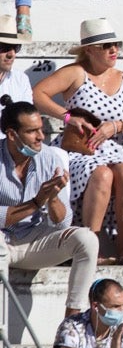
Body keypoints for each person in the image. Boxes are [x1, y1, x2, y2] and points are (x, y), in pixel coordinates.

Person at [33, 19, 123, 264]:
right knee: (101, 174)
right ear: (89, 50)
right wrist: (67, 116)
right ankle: (90, 248)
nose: (113, 50)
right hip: (80, 149)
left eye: (116, 44)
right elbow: (38, 95)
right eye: (106, 45)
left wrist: (116, 127)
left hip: (113, 149)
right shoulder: (76, 73)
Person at [0, 102, 98, 314]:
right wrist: (36, 203)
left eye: (42, 130)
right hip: (2, 240)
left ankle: (72, 326)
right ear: (11, 134)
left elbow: (62, 223)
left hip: (33, 241)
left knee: (87, 240)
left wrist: (52, 199)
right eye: (32, 131)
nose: (40, 137)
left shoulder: (49, 157)